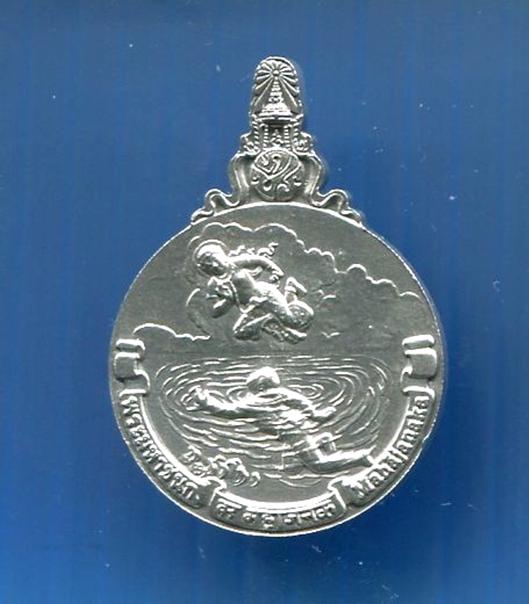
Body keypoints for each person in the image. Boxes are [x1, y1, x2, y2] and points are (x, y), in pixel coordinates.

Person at [189, 367, 374, 473]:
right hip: (296, 431)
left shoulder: (252, 403)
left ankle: (359, 457)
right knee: (291, 466)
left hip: (293, 434)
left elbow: (228, 411)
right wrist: (315, 414)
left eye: (250, 387)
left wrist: (206, 403)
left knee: (318, 466)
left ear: (258, 386)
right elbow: (300, 401)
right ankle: (323, 440)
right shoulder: (283, 393)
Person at [194, 241, 313, 342]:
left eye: (215, 259)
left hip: (265, 295)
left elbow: (259, 260)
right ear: (204, 269)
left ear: (221, 255)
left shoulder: (235, 263)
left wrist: (275, 271)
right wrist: (229, 300)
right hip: (251, 307)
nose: (214, 265)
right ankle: (271, 320)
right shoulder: (213, 284)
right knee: (239, 332)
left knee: (293, 321)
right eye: (207, 265)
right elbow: (214, 312)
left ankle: (290, 288)